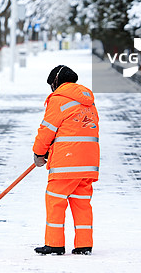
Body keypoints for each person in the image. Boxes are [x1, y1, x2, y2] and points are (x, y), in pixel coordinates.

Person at [32, 64, 100, 256]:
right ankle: (84, 245)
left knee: (55, 201)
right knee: (82, 204)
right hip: (88, 163)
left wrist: (39, 153)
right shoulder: (88, 101)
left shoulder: (59, 100)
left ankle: (54, 244)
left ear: (56, 83)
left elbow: (47, 130)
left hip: (66, 163)